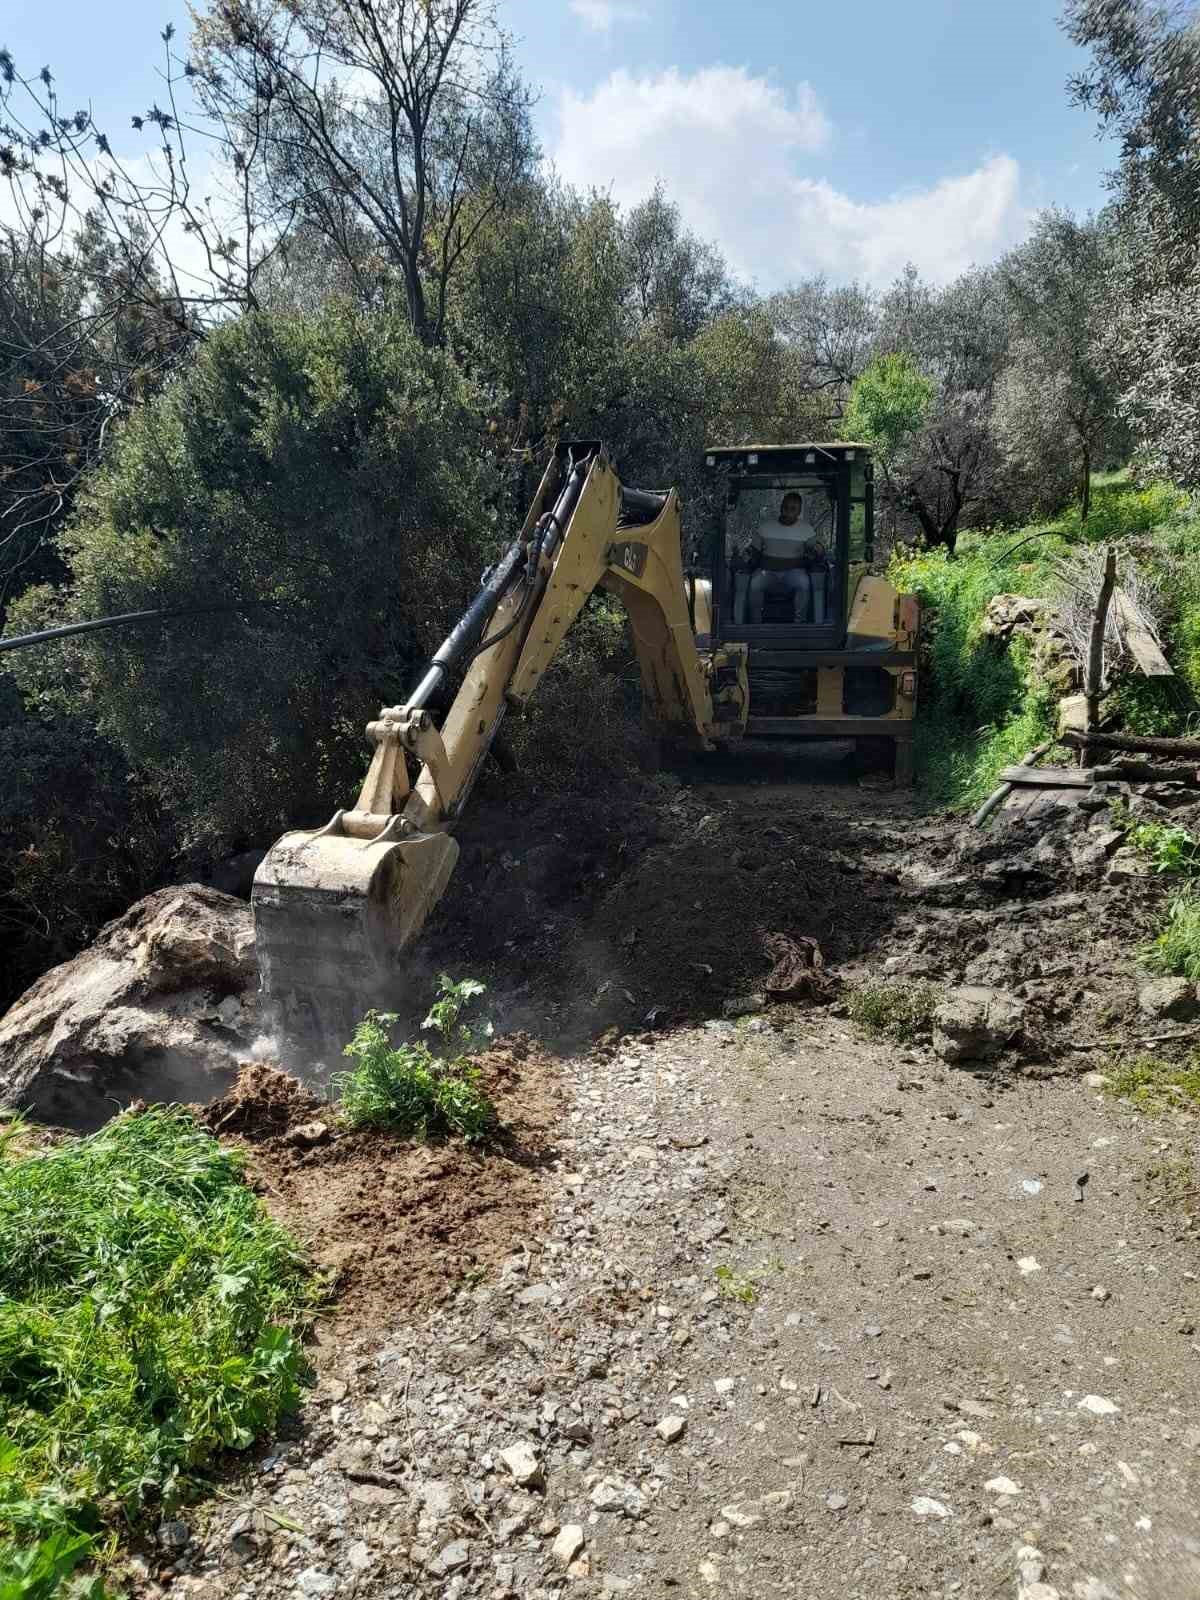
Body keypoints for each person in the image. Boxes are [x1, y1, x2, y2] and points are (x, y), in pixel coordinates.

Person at [746, 492, 827, 624]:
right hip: (768, 572)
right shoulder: (765, 528)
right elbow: (752, 552)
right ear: (781, 507)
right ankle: (756, 624)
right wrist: (743, 557)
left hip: (794, 573)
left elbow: (818, 550)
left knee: (804, 583)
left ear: (799, 511)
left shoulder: (806, 530)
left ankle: (799, 624)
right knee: (755, 583)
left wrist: (819, 550)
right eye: (786, 507)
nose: (788, 511)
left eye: (793, 508)